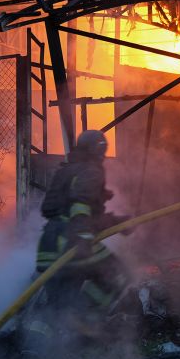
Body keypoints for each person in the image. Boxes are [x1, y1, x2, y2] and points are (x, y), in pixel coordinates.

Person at [33, 129, 131, 338]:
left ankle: (36, 345)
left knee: (59, 303)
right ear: (98, 149)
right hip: (71, 242)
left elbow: (67, 210)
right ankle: (86, 319)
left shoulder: (67, 170)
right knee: (117, 274)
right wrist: (82, 237)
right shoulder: (92, 171)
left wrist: (117, 223)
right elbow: (80, 206)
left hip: (49, 244)